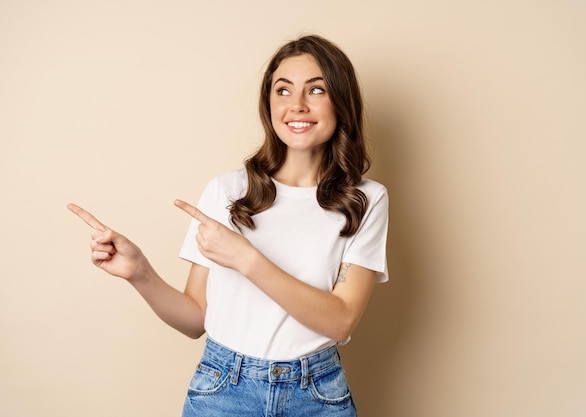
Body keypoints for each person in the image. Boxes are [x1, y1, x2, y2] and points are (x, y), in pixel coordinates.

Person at [68, 34, 388, 417]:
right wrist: (140, 273)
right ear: (268, 104)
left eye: (315, 90)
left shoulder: (365, 199)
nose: (297, 105)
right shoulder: (228, 190)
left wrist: (247, 259)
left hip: (317, 394)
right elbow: (195, 319)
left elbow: (340, 321)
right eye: (282, 91)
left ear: (341, 101)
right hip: (223, 389)